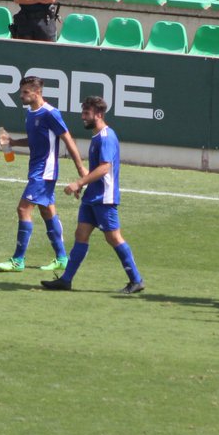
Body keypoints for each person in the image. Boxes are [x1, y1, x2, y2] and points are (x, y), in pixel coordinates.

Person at [40, 96, 144, 293]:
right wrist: (85, 185)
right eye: (83, 113)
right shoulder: (97, 136)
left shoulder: (106, 137)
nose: (83, 117)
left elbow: (105, 168)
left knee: (113, 237)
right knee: (81, 234)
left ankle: (136, 280)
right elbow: (98, 170)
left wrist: (79, 182)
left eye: (86, 114)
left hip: (104, 198)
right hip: (92, 197)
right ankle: (66, 280)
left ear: (99, 114)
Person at [0, 76, 87, 273]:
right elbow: (35, 139)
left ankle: (18, 260)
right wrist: (13, 142)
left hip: (44, 172)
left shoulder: (51, 114)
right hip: (37, 170)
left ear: (37, 92)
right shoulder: (31, 113)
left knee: (23, 210)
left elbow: (68, 140)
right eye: (21, 92)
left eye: (25, 92)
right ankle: (62, 258)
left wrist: (80, 169)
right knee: (47, 211)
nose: (21, 96)